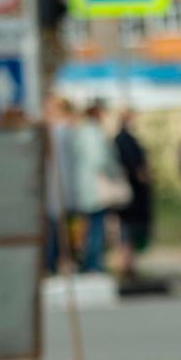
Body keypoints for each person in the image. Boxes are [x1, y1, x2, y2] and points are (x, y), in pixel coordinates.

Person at [69, 101, 118, 274]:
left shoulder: (81, 132)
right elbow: (100, 160)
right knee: (95, 227)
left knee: (89, 226)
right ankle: (93, 263)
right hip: (95, 189)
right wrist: (114, 174)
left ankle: (89, 261)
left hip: (85, 188)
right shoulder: (93, 133)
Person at [115, 108, 154, 280]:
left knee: (128, 229)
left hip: (132, 192)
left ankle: (127, 262)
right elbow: (134, 166)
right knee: (128, 229)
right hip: (131, 192)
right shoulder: (124, 140)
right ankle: (125, 263)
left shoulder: (124, 139)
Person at [43, 96, 77, 273]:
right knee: (53, 227)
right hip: (52, 185)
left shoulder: (58, 130)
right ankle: (52, 261)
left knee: (56, 226)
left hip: (56, 185)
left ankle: (55, 261)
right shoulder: (55, 130)